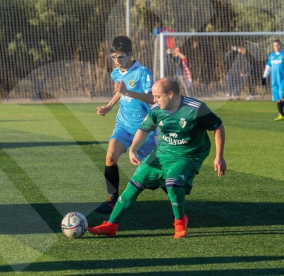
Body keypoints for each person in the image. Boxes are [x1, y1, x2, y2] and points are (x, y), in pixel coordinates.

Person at [88, 77, 226, 238]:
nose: (154, 100)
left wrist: (219, 156)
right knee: (133, 185)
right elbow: (144, 129)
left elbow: (218, 127)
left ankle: (180, 221)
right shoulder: (156, 109)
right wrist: (133, 149)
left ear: (171, 94)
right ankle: (111, 225)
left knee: (172, 183)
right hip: (162, 153)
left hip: (188, 155)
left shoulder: (195, 108)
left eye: (158, 96)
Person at [94, 36, 159, 214]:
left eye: (121, 57)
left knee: (154, 176)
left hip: (143, 129)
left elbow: (153, 98)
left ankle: (177, 204)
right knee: (110, 156)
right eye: (113, 57)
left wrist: (128, 91)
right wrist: (109, 106)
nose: (117, 61)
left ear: (130, 54)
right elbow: (120, 92)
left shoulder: (143, 73)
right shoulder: (116, 72)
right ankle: (112, 200)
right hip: (123, 125)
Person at [262, 39, 284, 121]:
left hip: (283, 79)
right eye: (274, 45)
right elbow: (268, 67)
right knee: (277, 97)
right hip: (274, 79)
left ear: (281, 45)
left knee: (282, 96)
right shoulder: (272, 56)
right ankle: (281, 115)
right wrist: (264, 77)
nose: (276, 47)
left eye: (278, 45)